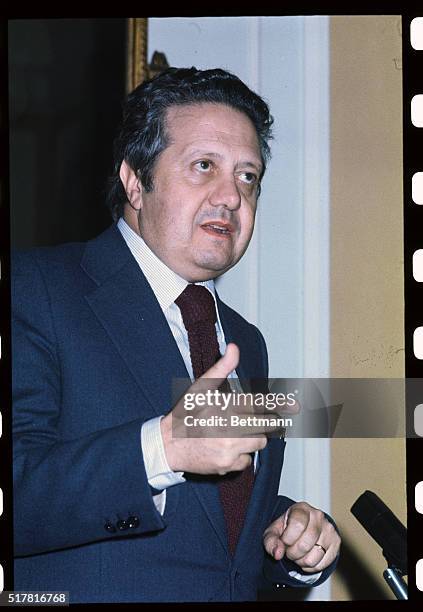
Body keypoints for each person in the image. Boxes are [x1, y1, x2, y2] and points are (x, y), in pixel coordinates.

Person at [12, 67, 341, 603]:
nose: (231, 197)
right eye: (204, 166)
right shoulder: (32, 289)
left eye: (247, 176)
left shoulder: (245, 340)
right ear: (135, 182)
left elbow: (215, 525)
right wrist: (162, 447)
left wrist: (287, 534)